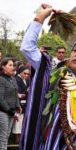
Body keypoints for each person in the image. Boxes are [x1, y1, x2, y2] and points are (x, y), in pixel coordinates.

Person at [19, 4, 76, 150]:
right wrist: (40, 18)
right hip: (53, 141)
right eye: (75, 50)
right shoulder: (52, 70)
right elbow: (27, 48)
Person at [0, 57, 21, 150]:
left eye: (13, 65)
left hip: (11, 111)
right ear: (3, 66)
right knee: (3, 136)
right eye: (10, 65)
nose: (13, 67)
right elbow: (1, 99)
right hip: (2, 111)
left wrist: (18, 105)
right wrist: (11, 111)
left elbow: (15, 93)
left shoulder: (13, 78)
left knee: (6, 135)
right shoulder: (0, 79)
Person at [12, 66, 30, 144]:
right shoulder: (16, 79)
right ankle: (16, 138)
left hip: (25, 103)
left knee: (22, 121)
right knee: (17, 121)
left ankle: (20, 137)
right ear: (20, 72)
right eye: (24, 73)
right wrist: (26, 91)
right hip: (18, 103)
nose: (26, 75)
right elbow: (17, 93)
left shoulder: (26, 80)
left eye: (28, 74)